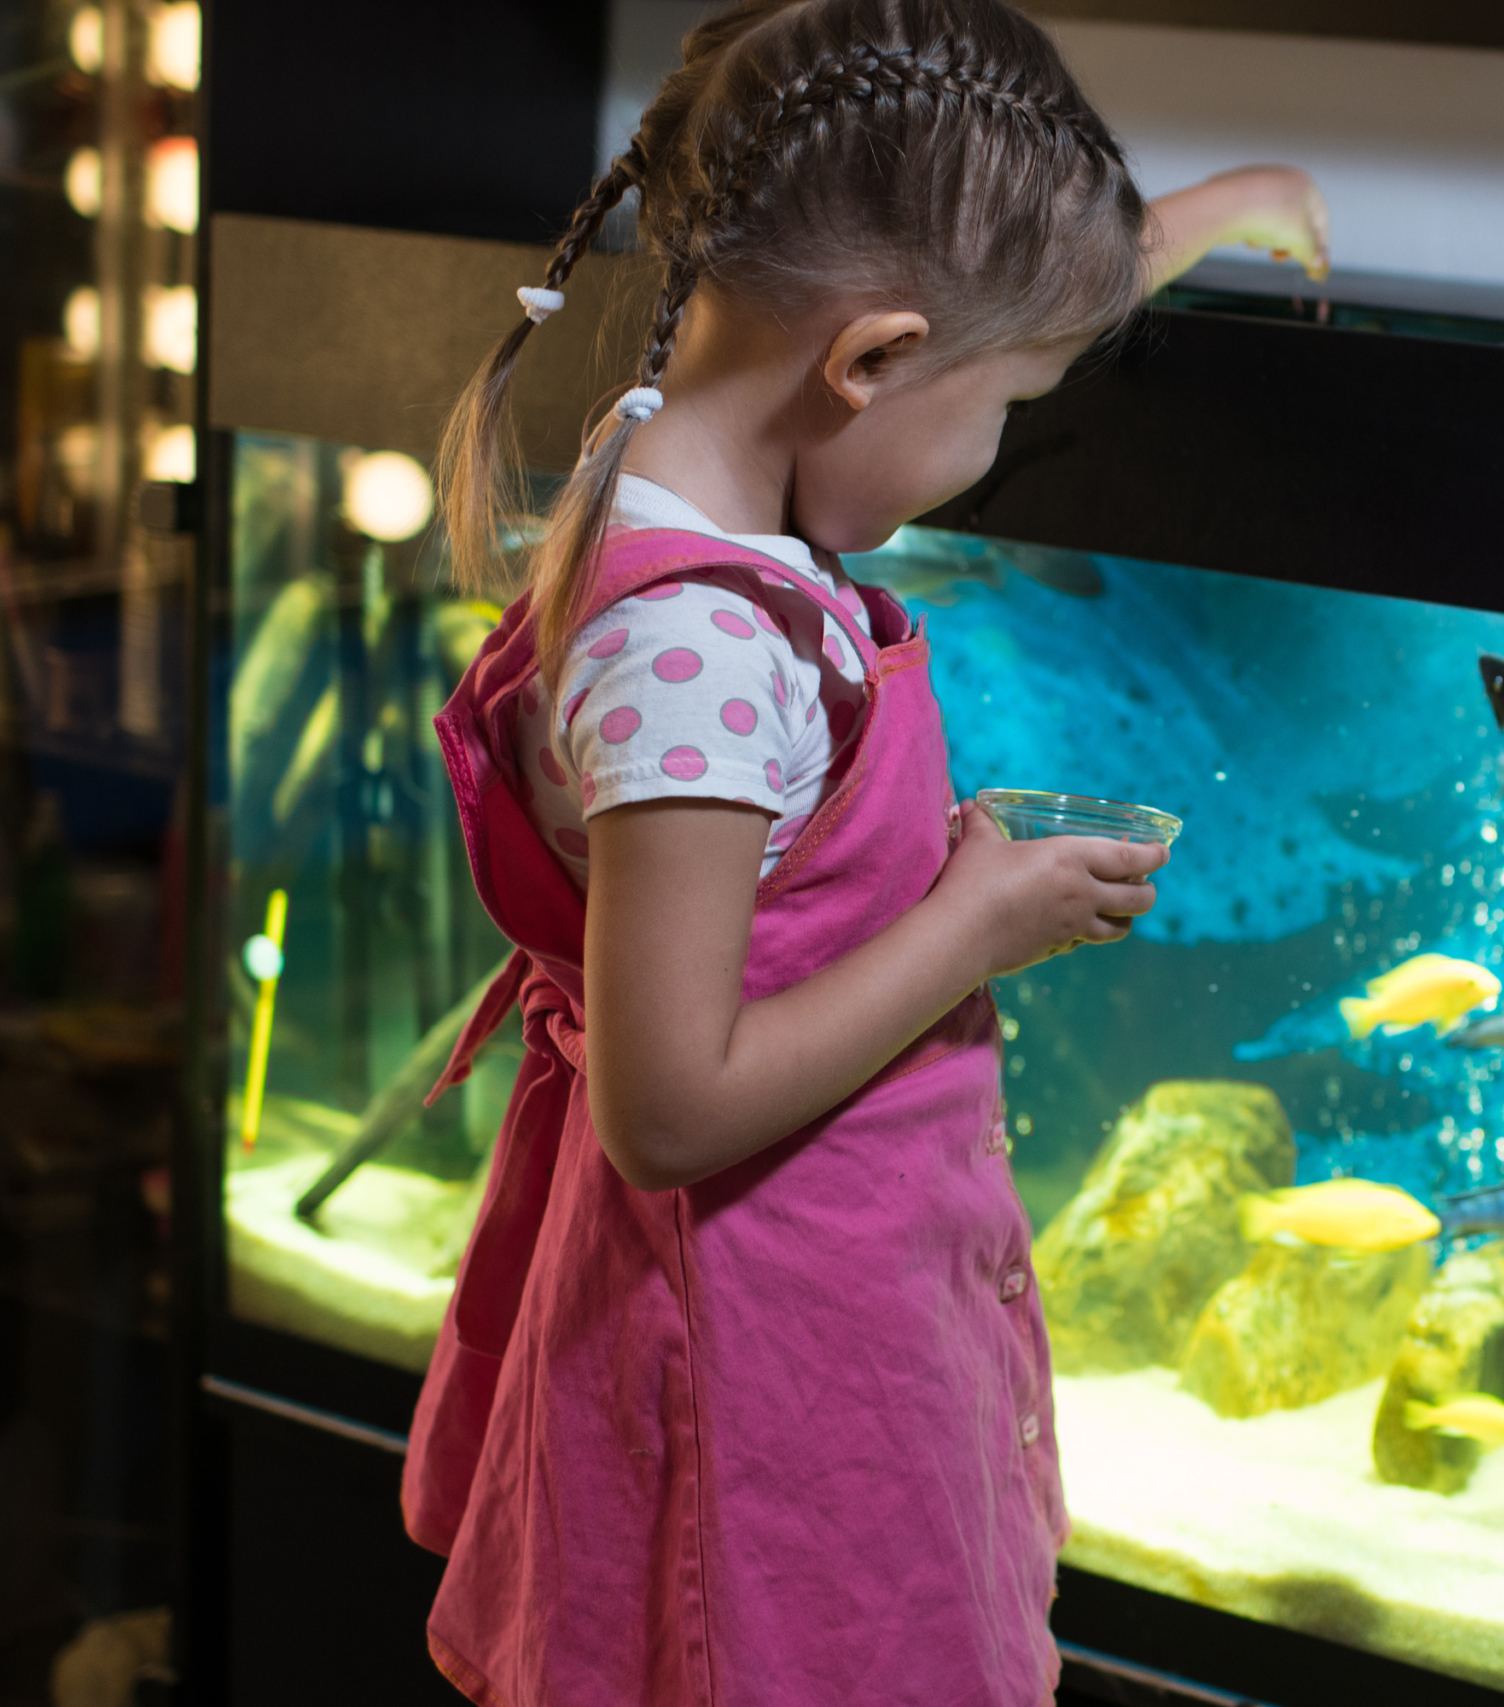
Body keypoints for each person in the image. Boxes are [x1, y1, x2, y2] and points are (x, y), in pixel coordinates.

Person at [403, 3, 1327, 1701]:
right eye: (1010, 403)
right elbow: (670, 1106)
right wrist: (973, 921)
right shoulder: (699, 650)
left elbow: (976, 287)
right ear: (875, 361)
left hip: (814, 1308)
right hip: (765, 1361)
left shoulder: (662, 464)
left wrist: (1240, 202)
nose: (992, 456)